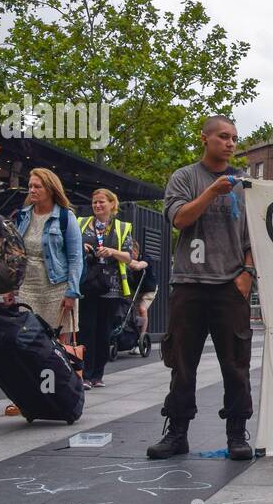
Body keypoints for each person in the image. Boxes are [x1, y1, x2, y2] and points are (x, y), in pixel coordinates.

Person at [147, 115, 256, 462]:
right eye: (223, 137)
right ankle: (177, 432)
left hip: (230, 285)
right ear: (205, 139)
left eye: (235, 138)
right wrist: (211, 192)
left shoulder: (244, 185)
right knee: (182, 364)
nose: (230, 143)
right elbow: (179, 219)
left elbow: (255, 237)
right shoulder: (185, 177)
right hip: (189, 284)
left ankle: (237, 434)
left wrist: (247, 275)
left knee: (236, 365)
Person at [2, 168, 83, 415]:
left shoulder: (65, 218)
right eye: (30, 185)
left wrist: (71, 292)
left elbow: (75, 257)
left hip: (57, 287)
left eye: (37, 186)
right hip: (28, 286)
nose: (32, 190)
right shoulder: (22, 215)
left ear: (50, 189)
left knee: (56, 347)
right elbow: (14, 254)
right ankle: (26, 396)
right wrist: (9, 286)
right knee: (26, 345)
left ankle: (62, 394)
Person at [76, 188, 134, 389]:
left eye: (101, 202)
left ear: (112, 204)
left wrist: (112, 251)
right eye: (95, 203)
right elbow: (71, 246)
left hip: (111, 287)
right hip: (87, 284)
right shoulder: (81, 223)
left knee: (104, 331)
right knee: (86, 329)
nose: (98, 206)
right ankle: (85, 373)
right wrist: (81, 248)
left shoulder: (122, 227)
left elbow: (129, 256)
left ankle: (97, 374)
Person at [125, 242, 159, 354]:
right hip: (136, 289)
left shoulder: (146, 257)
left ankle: (142, 337)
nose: (128, 255)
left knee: (142, 309)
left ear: (135, 251)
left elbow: (140, 265)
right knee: (129, 311)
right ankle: (131, 336)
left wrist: (128, 262)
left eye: (130, 252)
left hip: (149, 289)